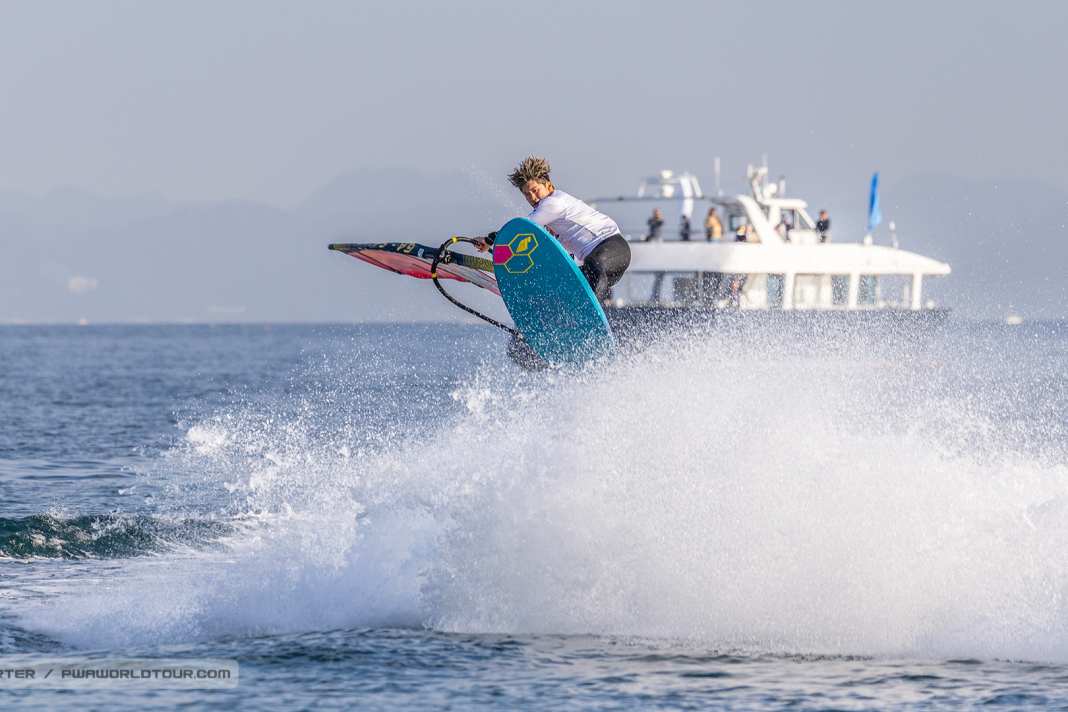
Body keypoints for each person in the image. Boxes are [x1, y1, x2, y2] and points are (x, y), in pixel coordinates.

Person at [477, 156, 630, 303]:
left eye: (535, 190)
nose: (533, 197)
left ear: (548, 185)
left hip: (614, 248)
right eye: (527, 194)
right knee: (562, 281)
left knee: (592, 264)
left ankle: (595, 313)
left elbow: (522, 229)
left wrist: (490, 239)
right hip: (601, 268)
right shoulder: (552, 221)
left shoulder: (553, 203)